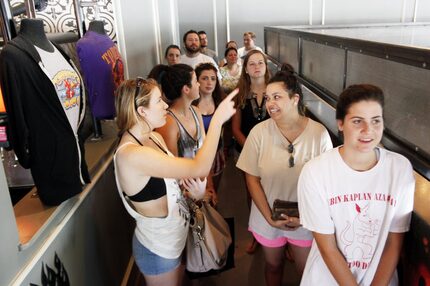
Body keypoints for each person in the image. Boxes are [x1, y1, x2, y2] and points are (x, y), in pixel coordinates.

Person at [114, 77, 237, 286]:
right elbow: (199, 166)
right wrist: (216, 122)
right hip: (158, 249)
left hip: (176, 237)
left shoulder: (154, 137)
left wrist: (194, 194)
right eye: (159, 101)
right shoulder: (131, 154)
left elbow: (172, 186)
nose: (165, 106)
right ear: (142, 111)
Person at [298, 84, 415, 285]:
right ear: (341, 123)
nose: (368, 130)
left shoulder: (400, 169)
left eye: (376, 121)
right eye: (357, 121)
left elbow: (393, 244)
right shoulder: (315, 172)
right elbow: (328, 248)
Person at [236, 70, 332, 285]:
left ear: (294, 99)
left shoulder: (318, 134)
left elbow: (327, 185)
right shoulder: (259, 133)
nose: (270, 103)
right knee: (272, 266)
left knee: (306, 272)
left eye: (277, 97)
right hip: (267, 215)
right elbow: (251, 178)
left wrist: (306, 218)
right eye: (268, 98)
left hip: (306, 220)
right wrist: (269, 217)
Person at [0, 18, 90, 205]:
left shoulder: (58, 49)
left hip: (75, 156)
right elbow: (16, 112)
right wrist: (26, 155)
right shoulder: (12, 55)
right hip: (49, 163)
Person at [232, 49, 271, 254]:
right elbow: (236, 128)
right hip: (247, 152)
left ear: (266, 67)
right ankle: (257, 234)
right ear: (245, 69)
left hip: (273, 152)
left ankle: (280, 235)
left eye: (260, 63)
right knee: (252, 193)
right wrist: (252, 149)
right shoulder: (240, 95)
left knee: (275, 192)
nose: (256, 67)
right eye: (252, 64)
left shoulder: (276, 91)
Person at [194, 63, 226, 195]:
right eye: (204, 78)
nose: (209, 82)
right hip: (196, 156)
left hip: (216, 154)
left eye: (213, 78)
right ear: (197, 81)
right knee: (200, 194)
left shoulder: (221, 102)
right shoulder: (191, 103)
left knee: (213, 193)